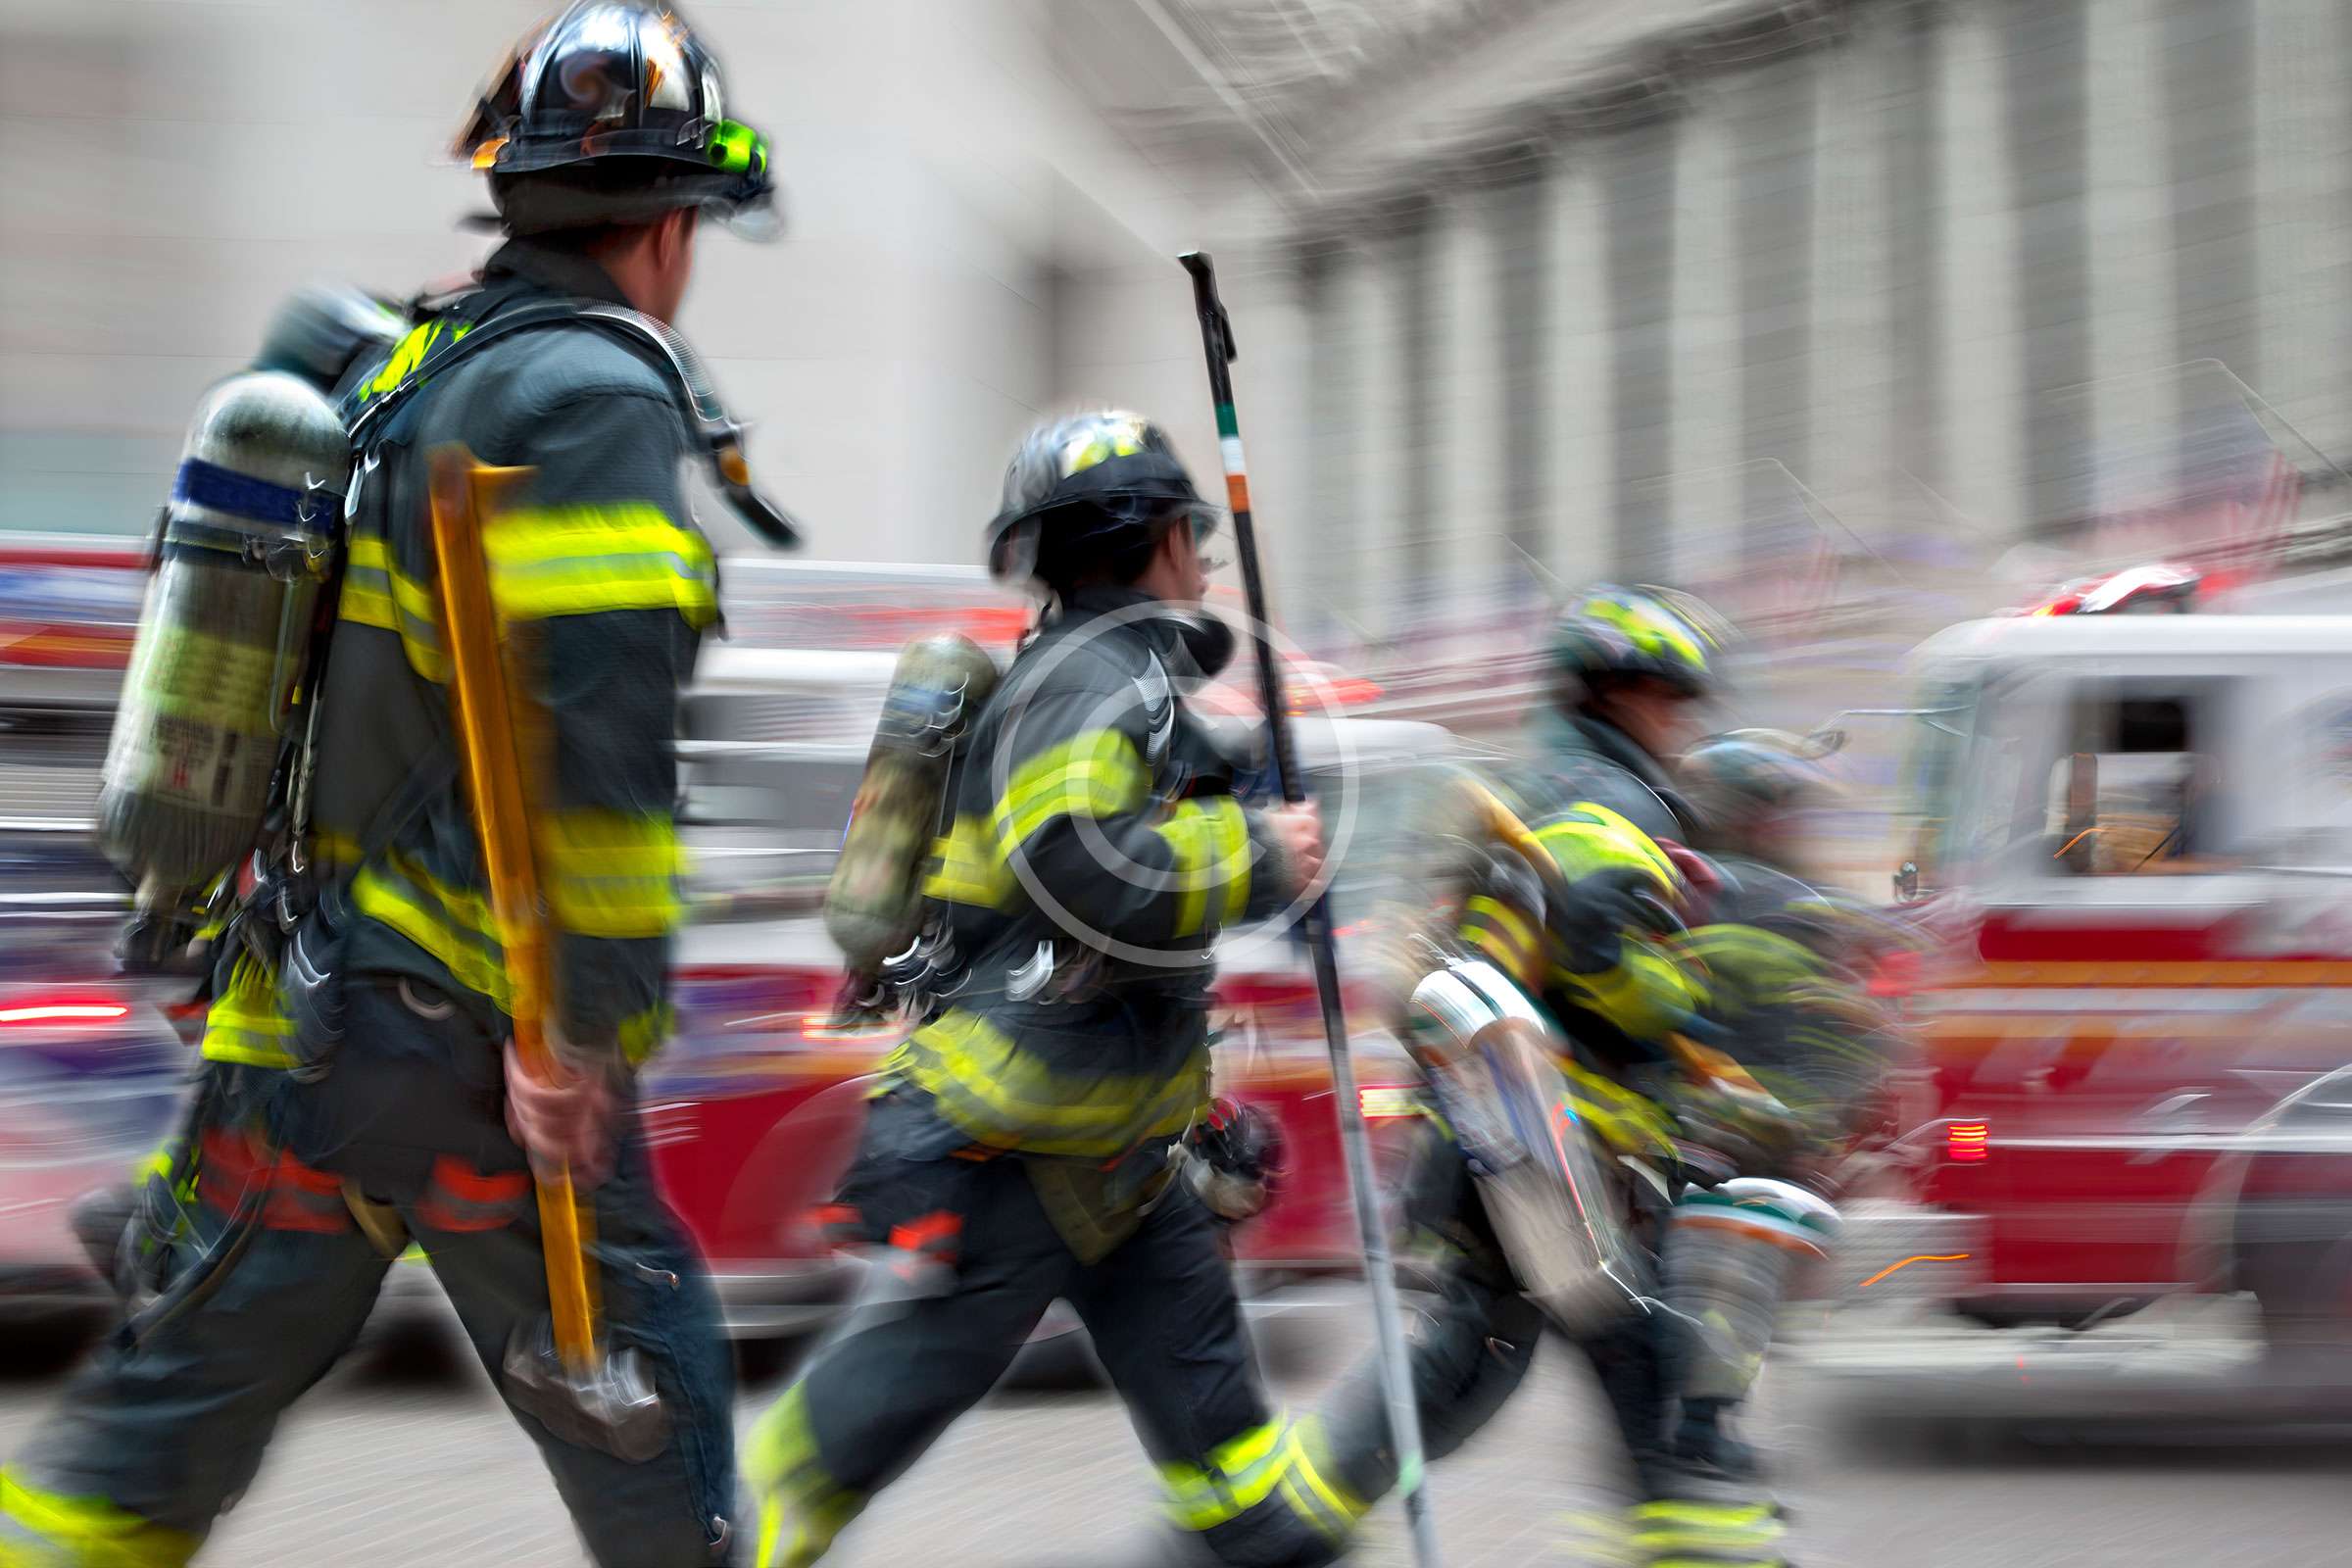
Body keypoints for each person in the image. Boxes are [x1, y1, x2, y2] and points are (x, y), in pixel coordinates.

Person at [1, 5, 778, 1562]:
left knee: (148, 1441)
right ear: (676, 222)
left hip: (294, 1014)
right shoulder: (591, 401)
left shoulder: (404, 372)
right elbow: (598, 762)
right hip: (479, 1037)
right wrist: (581, 1032)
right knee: (659, 1454)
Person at [744, 410, 1342, 1568]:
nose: (1208, 557)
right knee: (860, 1428)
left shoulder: (1113, 682)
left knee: (1237, 1474)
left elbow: (1147, 859)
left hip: (1120, 1150)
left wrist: (1260, 812)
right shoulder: (1090, 687)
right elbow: (1079, 861)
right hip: (1023, 1149)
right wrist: (1262, 858)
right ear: (1157, 540)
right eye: (1192, 533)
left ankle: (1263, 1539)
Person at [1308, 585, 1808, 1568]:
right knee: (1610, 1367)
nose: (1682, 722)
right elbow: (1593, 944)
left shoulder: (1544, 784)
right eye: (1672, 698)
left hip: (1519, 1145)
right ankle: (1277, 1523)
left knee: (1480, 1366)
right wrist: (1680, 999)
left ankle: (1288, 1516)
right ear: (1618, 694)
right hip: (1570, 1158)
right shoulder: (1608, 798)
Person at [1662, 731, 1901, 1517]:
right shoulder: (1783, 901)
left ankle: (1692, 1428)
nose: (1789, 824)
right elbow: (1845, 1026)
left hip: (1701, 1127)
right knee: (1736, 1292)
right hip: (1748, 1134)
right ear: (1753, 814)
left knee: (1710, 1293)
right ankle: (1698, 1433)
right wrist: (1820, 1127)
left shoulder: (1679, 884)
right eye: (1780, 808)